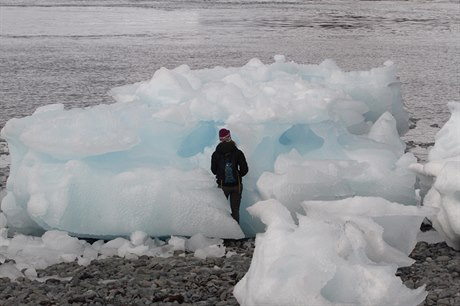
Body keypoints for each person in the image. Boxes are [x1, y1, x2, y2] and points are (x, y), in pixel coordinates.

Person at [211, 128, 248, 224]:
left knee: (222, 210)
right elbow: (245, 170)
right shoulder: (238, 152)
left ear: (220, 139)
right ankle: (235, 235)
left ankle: (223, 232)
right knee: (235, 210)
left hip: (223, 186)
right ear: (229, 137)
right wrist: (238, 175)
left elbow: (213, 171)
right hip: (237, 186)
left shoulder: (216, 154)